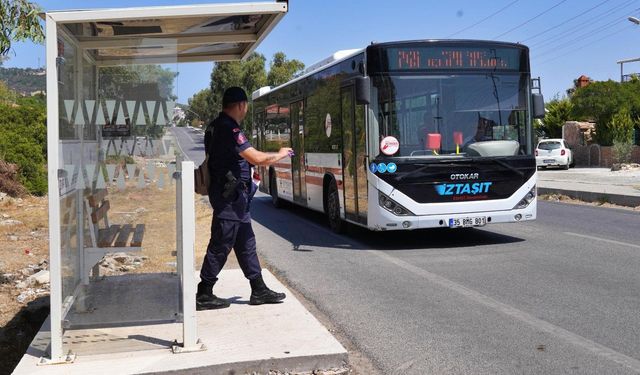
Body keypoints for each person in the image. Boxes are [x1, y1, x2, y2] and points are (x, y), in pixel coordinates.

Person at [196, 87, 293, 310]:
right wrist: (280, 154)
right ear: (241, 105)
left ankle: (258, 289)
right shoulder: (228, 128)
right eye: (246, 105)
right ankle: (204, 292)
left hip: (235, 198)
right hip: (229, 198)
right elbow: (255, 157)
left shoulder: (215, 125)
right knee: (221, 243)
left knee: (246, 242)